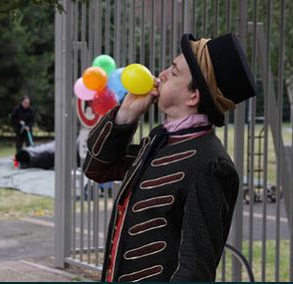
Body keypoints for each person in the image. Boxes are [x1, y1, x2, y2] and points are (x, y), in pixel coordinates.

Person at [83, 33, 256, 282]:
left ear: (193, 96)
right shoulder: (160, 141)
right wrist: (126, 115)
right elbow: (97, 169)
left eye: (174, 72)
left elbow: (195, 269)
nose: (161, 74)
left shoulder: (211, 165)